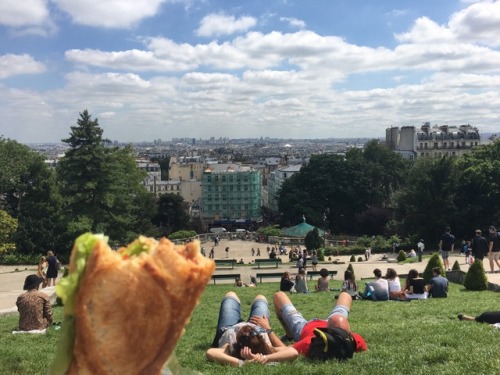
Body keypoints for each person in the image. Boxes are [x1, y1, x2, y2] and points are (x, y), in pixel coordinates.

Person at [206, 292, 299, 367]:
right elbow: (293, 352)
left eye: (242, 335)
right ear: (260, 339)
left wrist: (241, 363)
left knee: (230, 295)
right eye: (254, 333)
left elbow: (210, 352)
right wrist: (265, 358)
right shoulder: (265, 348)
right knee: (261, 298)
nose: (247, 330)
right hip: (257, 323)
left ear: (238, 343)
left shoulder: (231, 348)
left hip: (228, 328)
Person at [273, 291, 367, 360]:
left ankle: (289, 335)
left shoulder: (312, 341)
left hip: (303, 326)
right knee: (345, 295)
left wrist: (269, 331)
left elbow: (285, 350)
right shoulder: (355, 340)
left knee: (278, 295)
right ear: (349, 334)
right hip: (332, 323)